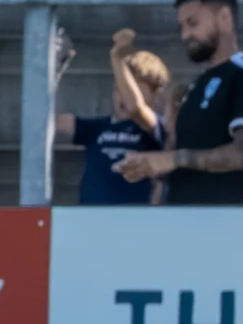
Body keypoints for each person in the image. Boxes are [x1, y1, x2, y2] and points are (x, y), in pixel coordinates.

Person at [117, 0, 243, 204]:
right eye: (183, 27)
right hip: (184, 226)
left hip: (226, 229)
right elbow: (178, 166)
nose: (185, 35)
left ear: (225, 18)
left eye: (193, 23)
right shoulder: (194, 87)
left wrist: (173, 159)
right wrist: (150, 163)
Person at [54, 30, 169, 205]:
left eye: (131, 90)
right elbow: (51, 122)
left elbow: (135, 109)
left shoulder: (157, 127)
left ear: (156, 96)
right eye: (118, 88)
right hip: (90, 222)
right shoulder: (98, 127)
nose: (123, 96)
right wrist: (54, 73)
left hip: (133, 224)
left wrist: (118, 58)